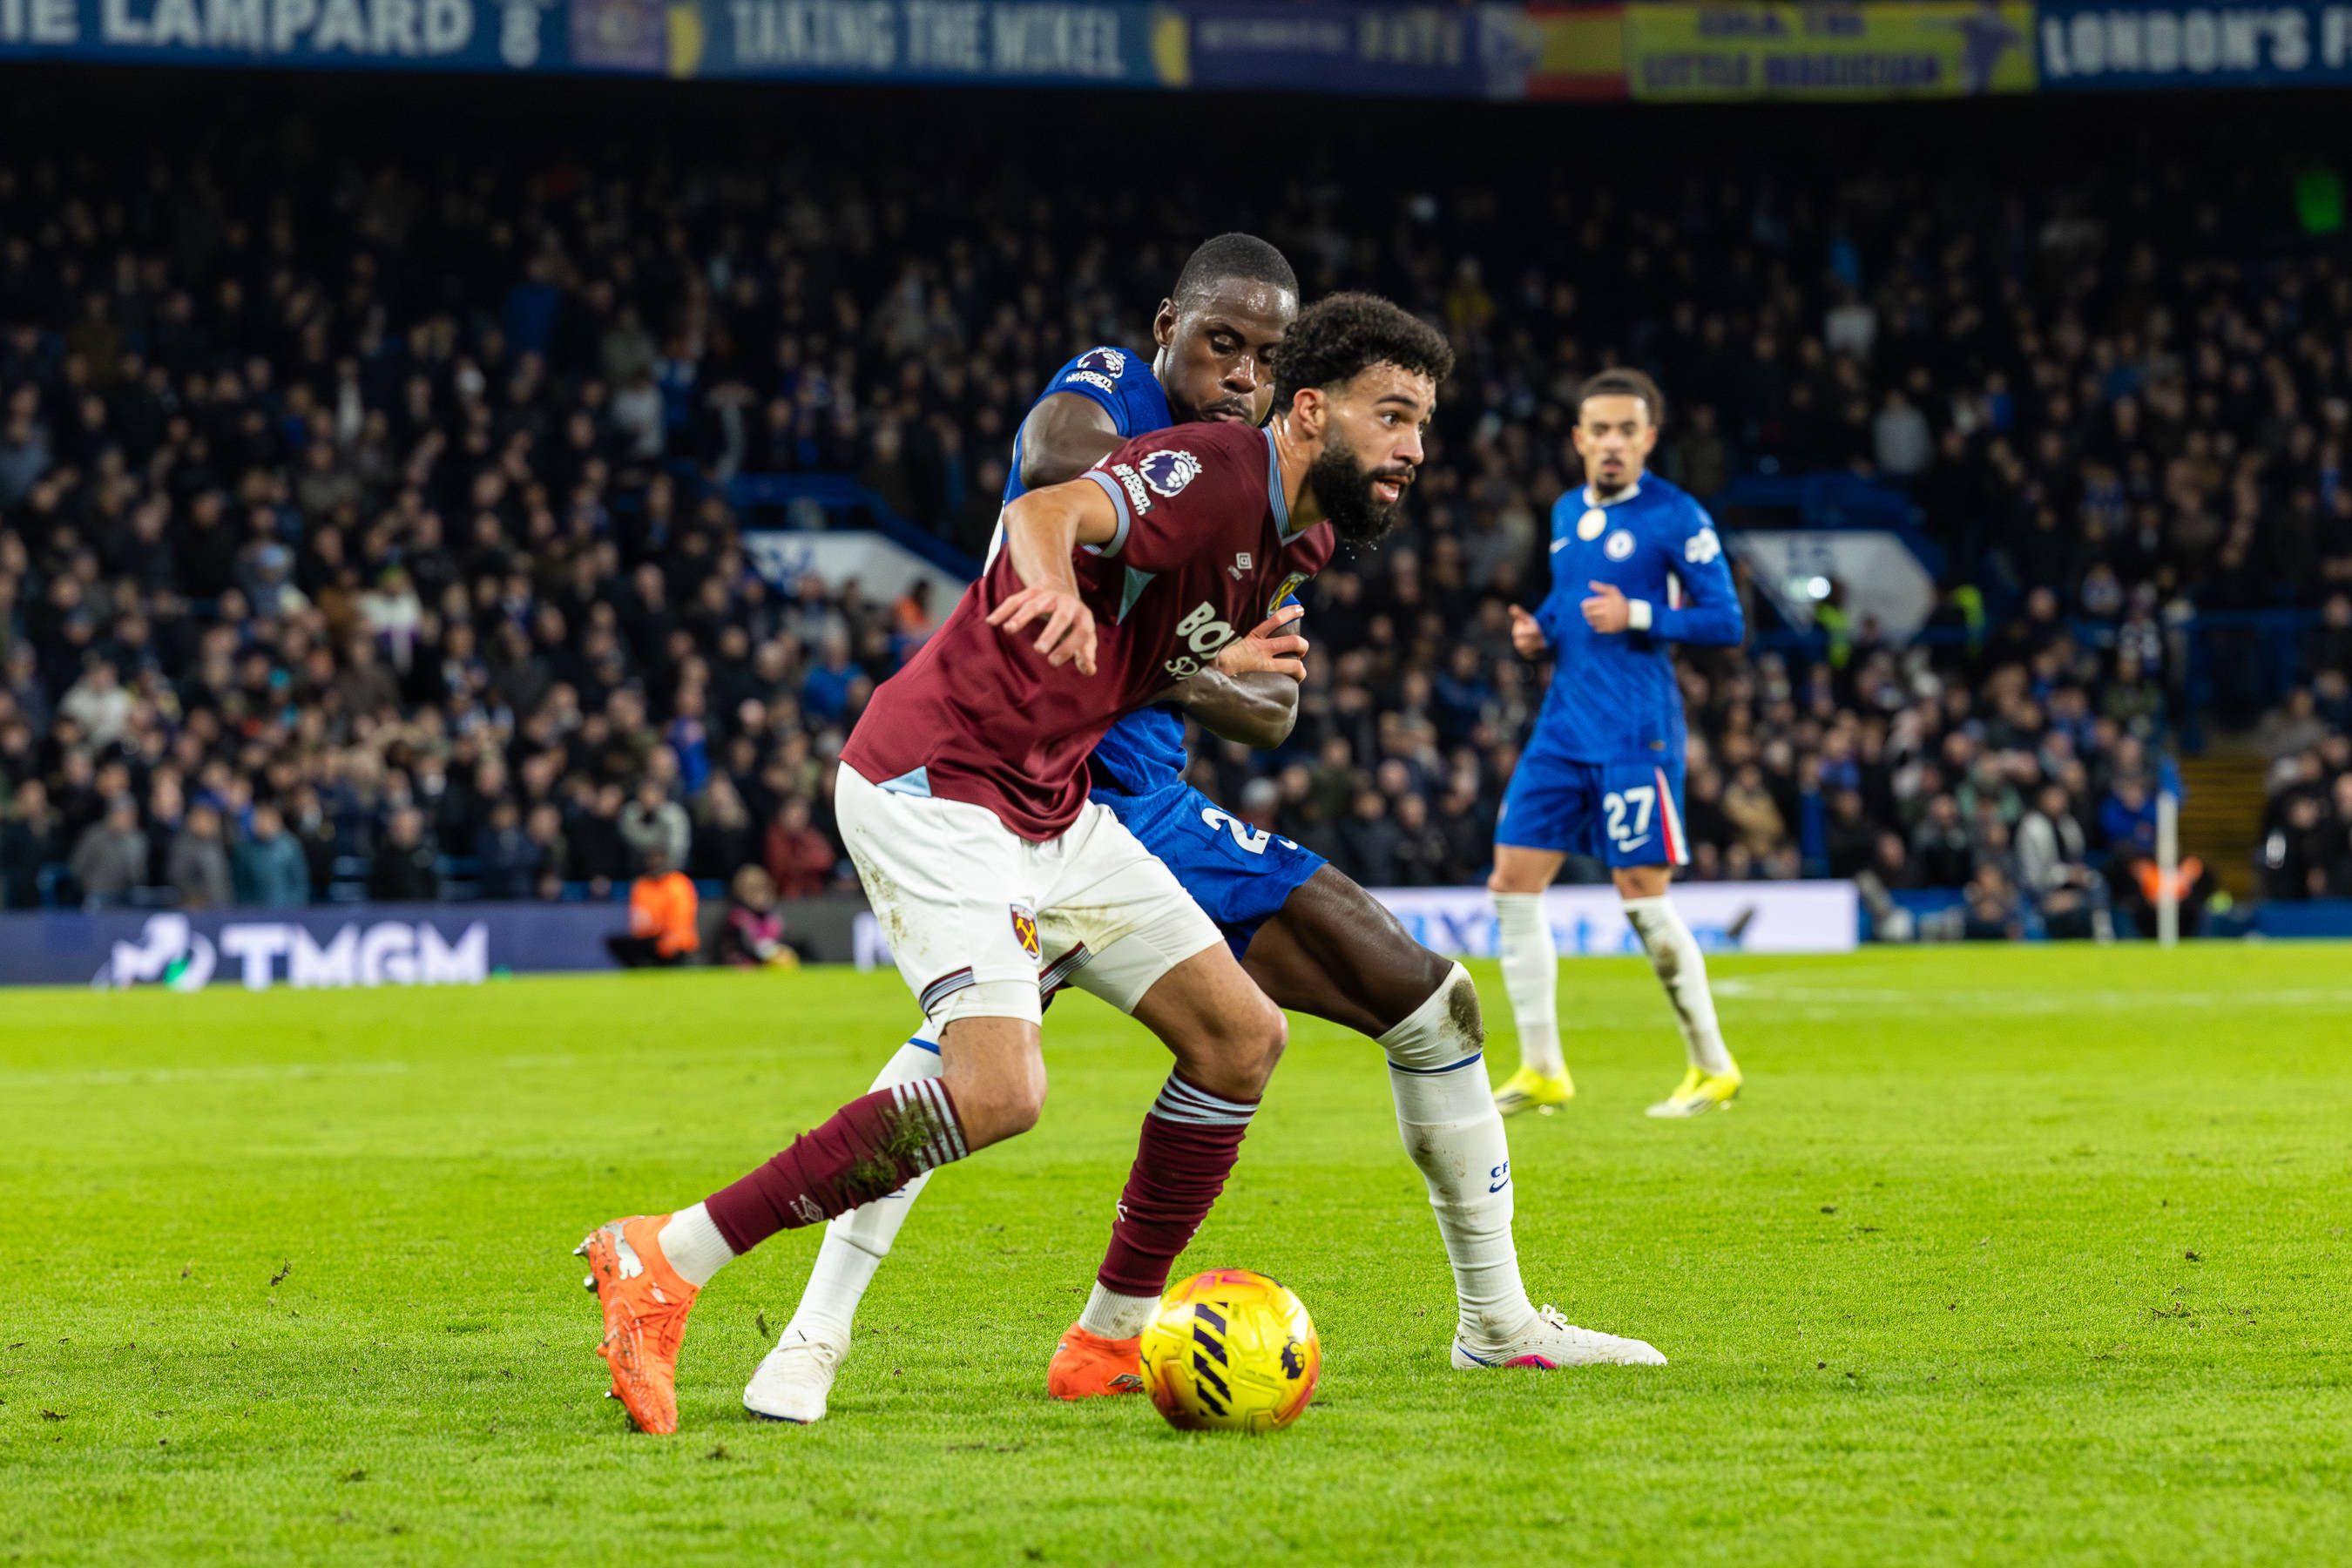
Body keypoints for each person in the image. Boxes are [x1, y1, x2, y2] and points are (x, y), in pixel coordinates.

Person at [577, 290, 1530, 1437]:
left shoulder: (1301, 536)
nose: (1415, 451)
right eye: (1395, 418)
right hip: (936, 779)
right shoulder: (1209, 475)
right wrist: (1055, 590)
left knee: (1240, 1040)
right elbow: (1045, 513)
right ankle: (668, 1254)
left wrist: (1205, 673)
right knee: (998, 1091)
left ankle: (1107, 1338)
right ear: (1315, 412)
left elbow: (1245, 690)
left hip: (1052, 796)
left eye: (1423, 425)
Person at [1487, 369, 1747, 1119]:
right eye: (1597, 429)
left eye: (1625, 430)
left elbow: (1725, 621)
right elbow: (1573, 602)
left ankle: (1713, 1065)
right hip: (1562, 728)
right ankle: (1542, 1069)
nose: (1610, 443)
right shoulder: (1567, 512)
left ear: (1648, 440)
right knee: (1511, 886)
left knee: (1641, 897)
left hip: (1637, 732)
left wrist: (1639, 611)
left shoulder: (1676, 515)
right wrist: (1539, 629)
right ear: (1578, 439)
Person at [605, 848, 700, 967]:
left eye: (657, 859)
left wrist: (671, 938)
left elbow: (681, 917)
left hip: (675, 939)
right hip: (651, 936)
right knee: (618, 943)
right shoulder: (642, 885)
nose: (653, 863)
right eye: (650, 859)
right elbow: (639, 918)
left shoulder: (677, 883)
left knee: (670, 947)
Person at [715, 864, 799, 968]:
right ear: (740, 891)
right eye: (752, 889)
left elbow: (784, 945)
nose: (759, 895)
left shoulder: (774, 918)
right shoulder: (737, 919)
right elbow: (731, 954)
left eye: (762, 888)